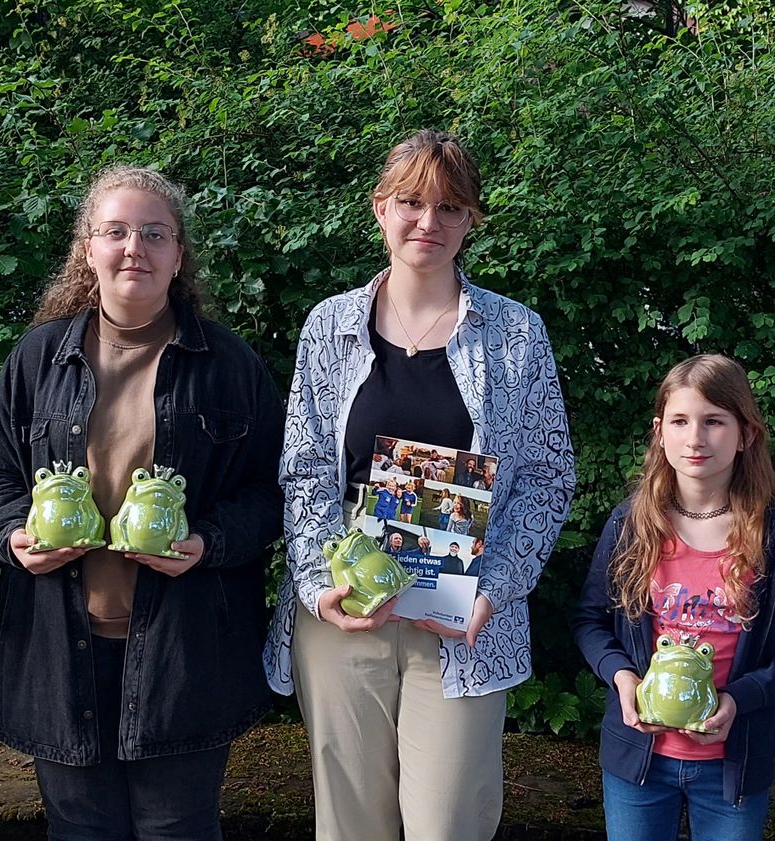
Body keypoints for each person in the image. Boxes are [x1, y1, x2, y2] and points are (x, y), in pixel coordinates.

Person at [263, 129, 576, 841]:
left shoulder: (517, 334)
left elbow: (549, 476)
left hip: (465, 615)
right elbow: (305, 467)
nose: (427, 222)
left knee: (446, 822)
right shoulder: (330, 325)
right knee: (351, 823)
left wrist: (493, 587)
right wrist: (318, 583)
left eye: (449, 206)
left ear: (472, 220)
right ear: (379, 208)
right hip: (346, 608)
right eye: (410, 202)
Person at [0, 165, 281, 840]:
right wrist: (12, 534)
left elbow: (271, 492)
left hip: (185, 654)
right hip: (62, 646)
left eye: (154, 233)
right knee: (80, 828)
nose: (133, 246)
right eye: (115, 230)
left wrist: (208, 541)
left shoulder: (227, 364)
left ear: (177, 256)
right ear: (89, 248)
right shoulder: (38, 358)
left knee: (178, 827)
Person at [570, 355, 775, 841]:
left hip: (732, 764)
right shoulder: (630, 526)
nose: (695, 438)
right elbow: (590, 620)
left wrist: (739, 699)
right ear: (659, 431)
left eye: (714, 421)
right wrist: (622, 677)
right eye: (680, 421)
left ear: (746, 435)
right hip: (638, 761)